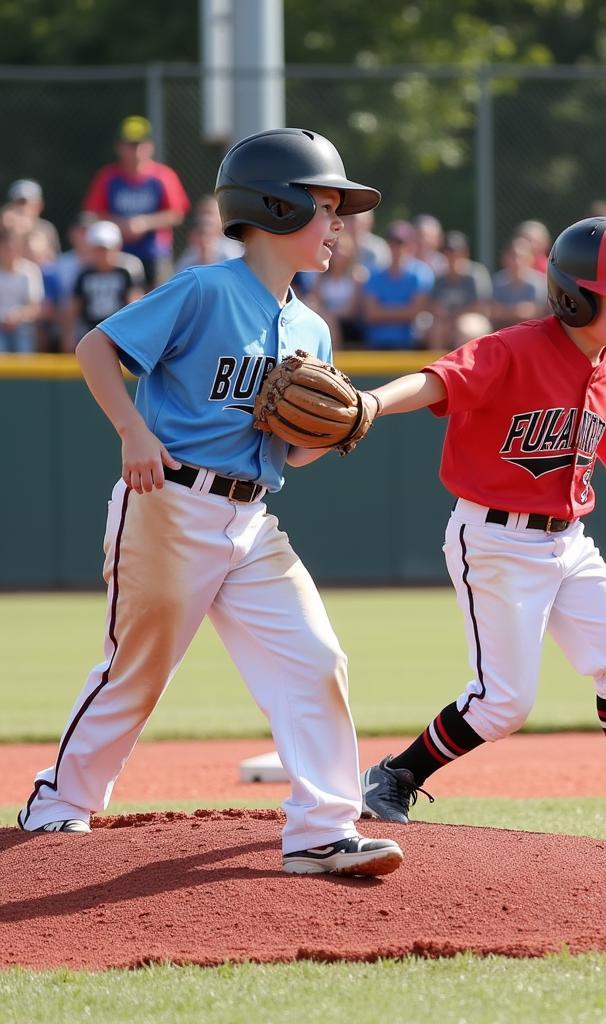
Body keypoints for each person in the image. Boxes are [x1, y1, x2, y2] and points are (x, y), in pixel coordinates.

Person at [17, 127, 403, 879]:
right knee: (138, 669)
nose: (339, 226)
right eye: (326, 207)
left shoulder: (312, 327)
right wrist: (132, 430)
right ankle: (58, 801)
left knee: (315, 656)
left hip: (254, 517)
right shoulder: (203, 289)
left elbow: (294, 449)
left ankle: (323, 829)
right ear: (275, 208)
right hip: (170, 501)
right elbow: (97, 348)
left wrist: (341, 428)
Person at [356, 216, 606, 837]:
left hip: (568, 539)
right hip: (494, 539)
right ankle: (394, 777)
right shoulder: (513, 349)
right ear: (574, 296)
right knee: (503, 703)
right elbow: (438, 380)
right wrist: (373, 402)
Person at [82, 115, 191, 290]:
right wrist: (121, 224)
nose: (137, 150)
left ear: (150, 146)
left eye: (141, 144)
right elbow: (93, 213)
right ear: (120, 147)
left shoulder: (163, 176)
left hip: (154, 253)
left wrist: (145, 223)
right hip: (116, 254)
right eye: (131, 145)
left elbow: (176, 214)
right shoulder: (108, 177)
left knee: (159, 299)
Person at [62, 220, 145, 352]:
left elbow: (134, 303)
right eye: (98, 249)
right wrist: (68, 336)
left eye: (105, 249)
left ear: (116, 247)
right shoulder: (85, 273)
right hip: (90, 330)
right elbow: (74, 306)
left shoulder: (125, 272)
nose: (102, 254)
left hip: (119, 330)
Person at [361, 220, 435, 349]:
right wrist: (403, 311)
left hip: (410, 346)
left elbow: (415, 312)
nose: (397, 247)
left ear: (411, 245)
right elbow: (371, 314)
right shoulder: (375, 275)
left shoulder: (422, 274)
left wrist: (382, 311)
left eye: (402, 242)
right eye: (393, 241)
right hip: (375, 346)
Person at [426, 230, 492, 350]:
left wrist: (455, 316)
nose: (452, 256)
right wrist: (440, 312)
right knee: (437, 329)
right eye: (448, 252)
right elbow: (432, 305)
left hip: (473, 319)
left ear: (465, 253)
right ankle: (438, 367)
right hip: (447, 321)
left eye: (456, 252)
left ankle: (465, 367)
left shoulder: (476, 274)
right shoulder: (440, 278)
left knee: (464, 327)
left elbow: (481, 307)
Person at [309, 230, 367, 349]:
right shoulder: (321, 277)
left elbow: (352, 311)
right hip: (326, 321)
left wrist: (330, 316)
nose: (336, 253)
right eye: (334, 249)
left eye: (340, 249)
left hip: (350, 325)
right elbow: (316, 301)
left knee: (330, 322)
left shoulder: (357, 276)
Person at [0, 223, 43, 353]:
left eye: (13, 247)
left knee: (24, 334)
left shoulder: (31, 270)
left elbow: (35, 306)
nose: (10, 251)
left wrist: (17, 316)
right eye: (6, 247)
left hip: (23, 326)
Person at [488, 236, 548, 328]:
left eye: (521, 256)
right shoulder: (498, 281)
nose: (516, 261)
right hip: (501, 330)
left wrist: (505, 310)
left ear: (530, 258)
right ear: (505, 258)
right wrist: (519, 310)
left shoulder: (540, 282)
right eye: (513, 256)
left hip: (532, 330)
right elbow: (492, 311)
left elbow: (537, 312)